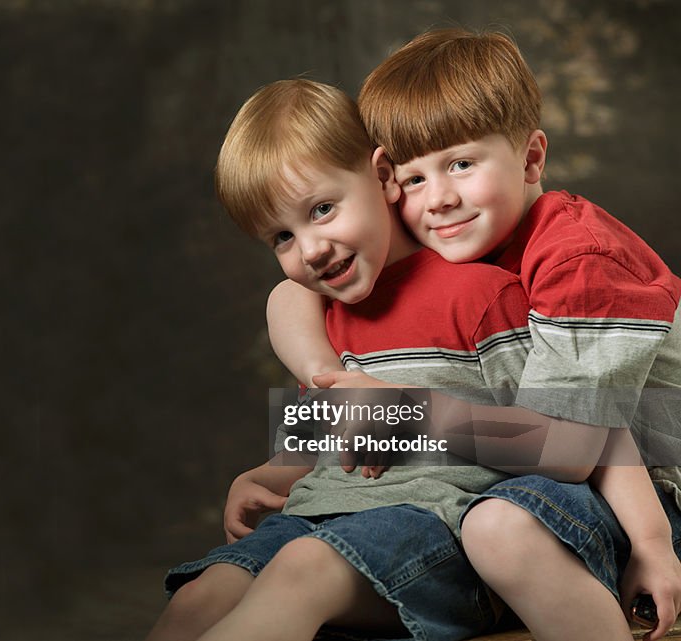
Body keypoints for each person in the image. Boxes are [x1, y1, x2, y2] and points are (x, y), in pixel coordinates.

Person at [266, 28, 681, 641]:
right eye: (412, 180)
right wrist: (288, 467)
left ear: (532, 158)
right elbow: (295, 296)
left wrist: (406, 417)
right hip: (555, 484)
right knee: (472, 523)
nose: (439, 200)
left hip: (655, 488)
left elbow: (570, 451)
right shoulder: (462, 262)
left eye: (460, 164)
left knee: (496, 528)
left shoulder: (578, 261)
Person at [146, 78, 542, 641]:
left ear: (382, 177)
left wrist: (409, 416)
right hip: (317, 517)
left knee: (303, 570)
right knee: (200, 597)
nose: (308, 250)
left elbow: (562, 444)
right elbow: (334, 437)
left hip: (439, 532)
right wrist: (266, 473)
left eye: (323, 209)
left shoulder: (480, 293)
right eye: (281, 236)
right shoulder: (328, 314)